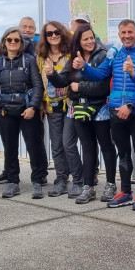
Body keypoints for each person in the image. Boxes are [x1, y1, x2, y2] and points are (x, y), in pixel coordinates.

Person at [75, 18, 135, 210]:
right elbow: (100, 74)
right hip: (115, 111)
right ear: (119, 34)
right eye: (123, 33)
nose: (127, 36)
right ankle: (126, 192)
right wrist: (84, 67)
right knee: (123, 154)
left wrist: (130, 103)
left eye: (130, 32)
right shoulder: (115, 52)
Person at [50, 23, 118, 203]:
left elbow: (103, 87)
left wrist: (79, 87)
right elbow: (63, 81)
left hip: (99, 109)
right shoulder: (74, 58)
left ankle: (111, 184)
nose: (89, 42)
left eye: (91, 38)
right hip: (79, 110)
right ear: (78, 42)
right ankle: (88, 187)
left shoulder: (102, 55)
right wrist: (51, 74)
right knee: (88, 149)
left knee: (106, 146)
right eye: (85, 39)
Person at [0, 16, 49, 192]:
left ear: (21, 42)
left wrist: (33, 107)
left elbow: (37, 85)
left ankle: (37, 180)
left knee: (34, 145)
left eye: (17, 39)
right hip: (4, 110)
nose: (13, 42)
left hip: (26, 109)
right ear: (4, 41)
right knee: (10, 148)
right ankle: (13, 181)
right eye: (10, 39)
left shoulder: (29, 60)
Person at [38, 21, 83, 198]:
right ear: (45, 37)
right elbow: (38, 82)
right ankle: (61, 180)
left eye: (57, 32)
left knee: (68, 144)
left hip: (70, 104)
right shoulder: (40, 56)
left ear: (63, 33)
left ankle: (78, 181)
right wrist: (41, 103)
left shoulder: (71, 53)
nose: (53, 36)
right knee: (56, 146)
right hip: (51, 105)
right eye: (49, 33)